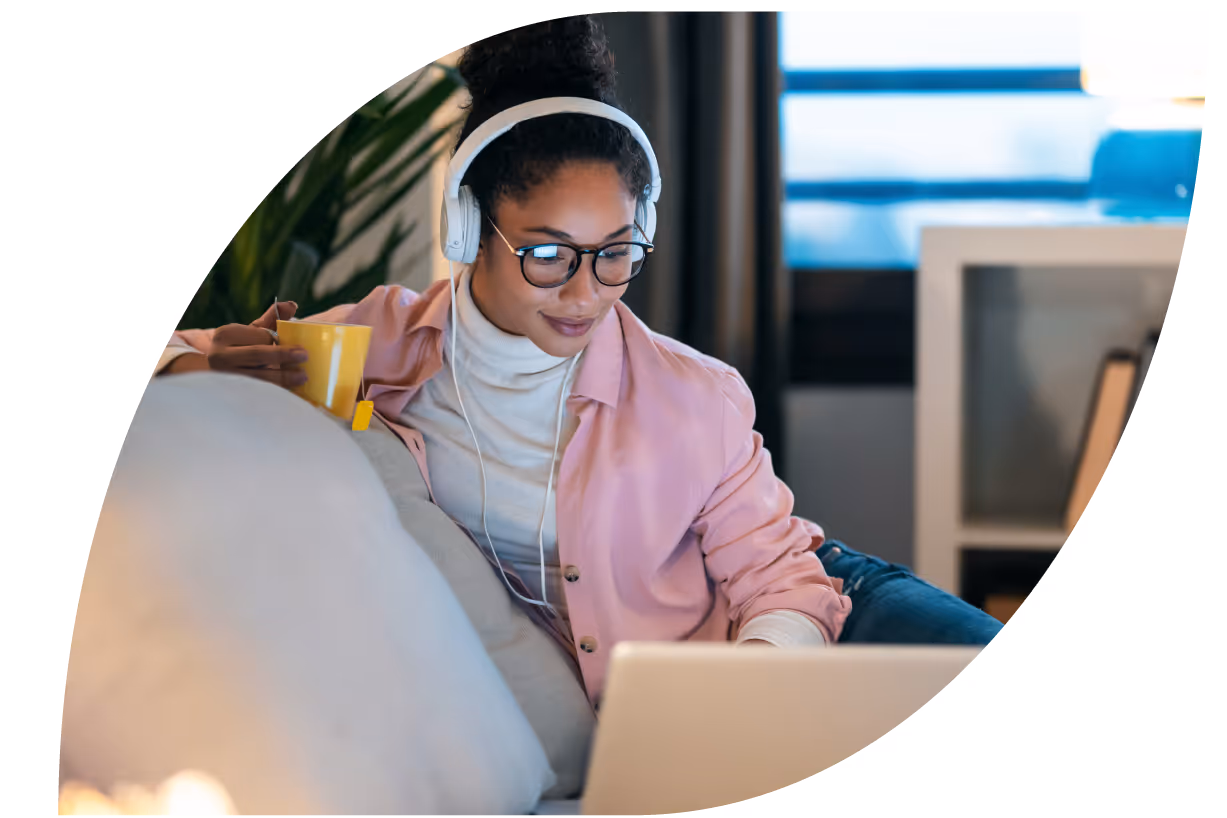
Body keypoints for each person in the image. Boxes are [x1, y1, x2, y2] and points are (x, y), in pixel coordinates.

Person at [159, 16, 1000, 705]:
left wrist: (747, 701)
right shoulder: (379, 344)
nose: (586, 293)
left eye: (615, 253)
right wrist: (206, 366)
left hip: (809, 609)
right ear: (466, 233)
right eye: (548, 254)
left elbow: (782, 579)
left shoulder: (693, 396)